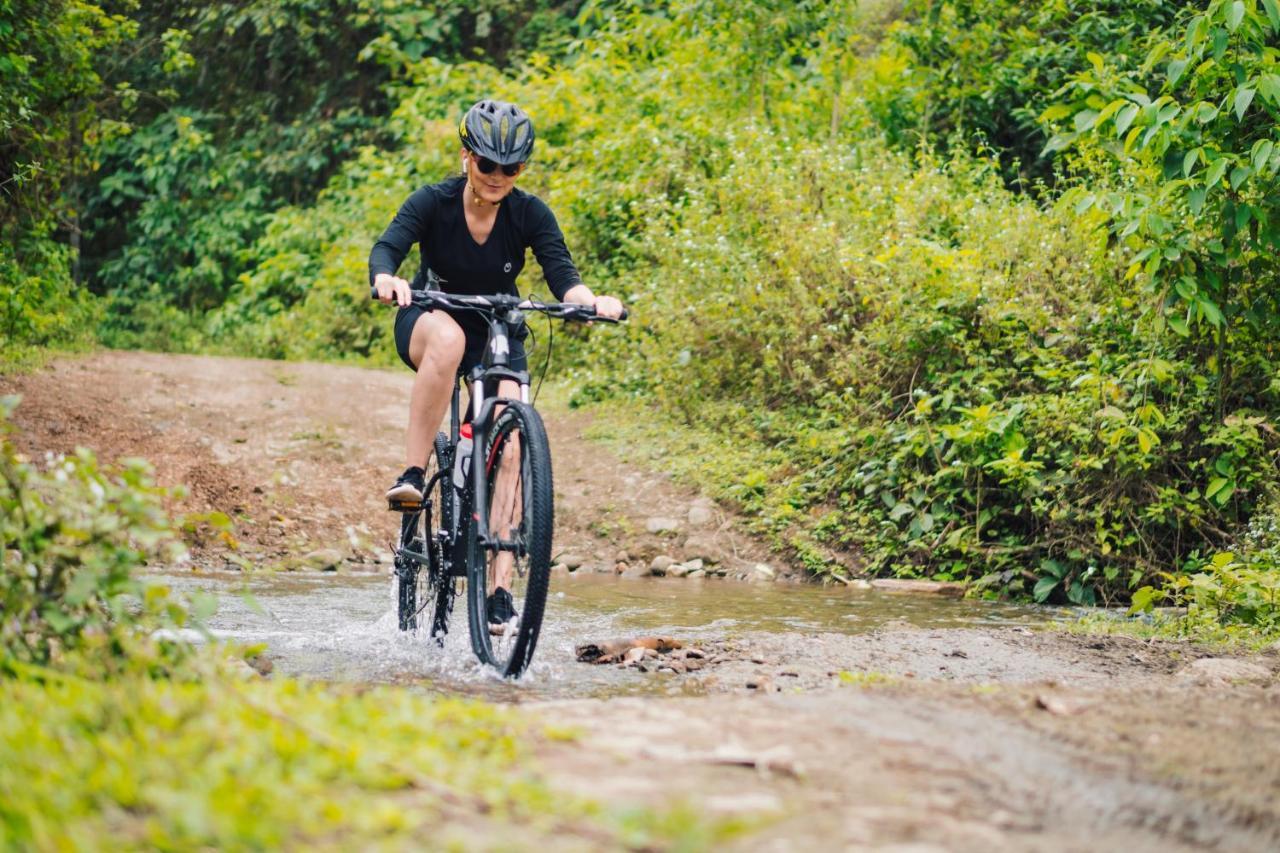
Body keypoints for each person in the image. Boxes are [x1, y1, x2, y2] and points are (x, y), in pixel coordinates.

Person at [369, 99, 623, 625]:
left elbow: (564, 275)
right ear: (466, 157)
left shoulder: (530, 213)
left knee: (511, 442)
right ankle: (414, 473)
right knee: (447, 341)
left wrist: (590, 301)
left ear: (522, 169)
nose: (497, 177)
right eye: (487, 164)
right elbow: (387, 248)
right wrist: (389, 279)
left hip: (498, 327)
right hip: (431, 316)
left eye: (511, 168)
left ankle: (500, 587)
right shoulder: (432, 202)